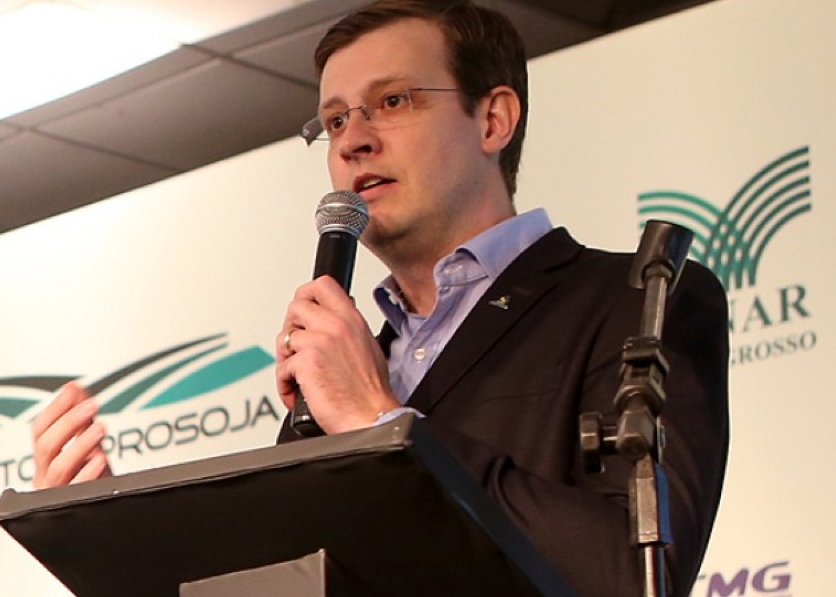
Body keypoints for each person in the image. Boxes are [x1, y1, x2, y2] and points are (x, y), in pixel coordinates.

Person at [31, 1, 729, 596]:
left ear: (493, 120)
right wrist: (113, 535)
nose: (353, 142)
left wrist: (381, 420)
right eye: (334, 121)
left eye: (393, 102)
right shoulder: (338, 370)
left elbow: (634, 571)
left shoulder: (635, 300)